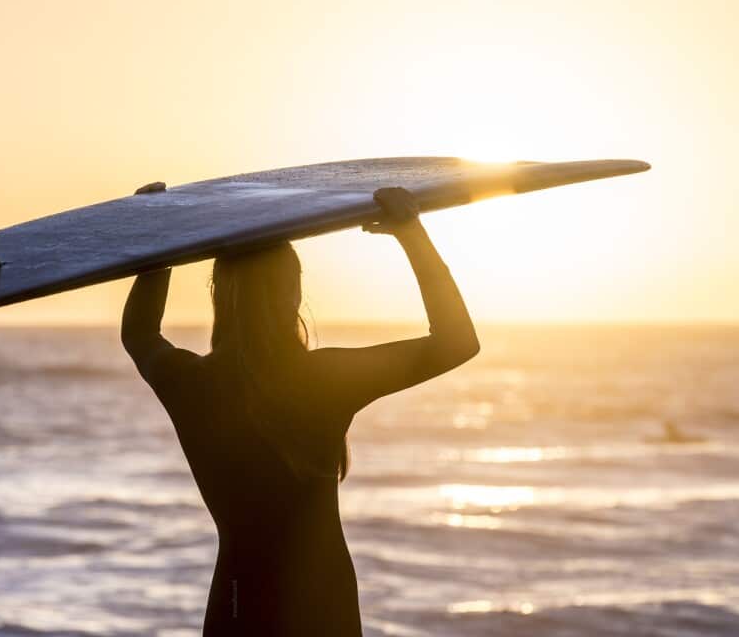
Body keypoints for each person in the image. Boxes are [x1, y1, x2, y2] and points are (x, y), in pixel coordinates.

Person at [121, 183, 479, 636]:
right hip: (321, 605)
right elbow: (457, 341)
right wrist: (410, 232)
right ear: (293, 293)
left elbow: (139, 335)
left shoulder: (190, 383)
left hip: (236, 603)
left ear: (219, 294)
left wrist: (159, 242)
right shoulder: (322, 379)